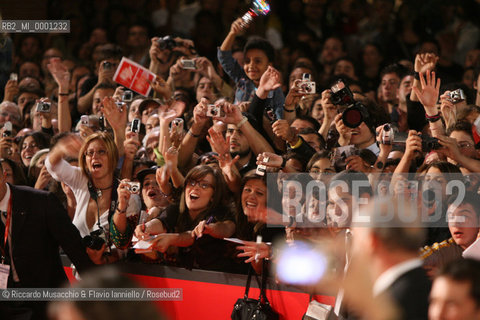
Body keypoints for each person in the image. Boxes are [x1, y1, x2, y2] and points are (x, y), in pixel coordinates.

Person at [0, 160, 95, 320]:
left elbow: (74, 248)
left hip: (48, 298)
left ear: (4, 176)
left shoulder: (40, 201)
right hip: (8, 303)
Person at [46, 132, 141, 254]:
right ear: (85, 159)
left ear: (112, 157)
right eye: (90, 153)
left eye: (101, 151)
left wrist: (121, 207)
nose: (94, 157)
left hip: (113, 270)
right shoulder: (81, 179)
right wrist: (61, 149)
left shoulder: (128, 196)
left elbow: (123, 243)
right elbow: (52, 166)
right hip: (80, 270)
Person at [134, 165, 237, 271]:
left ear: (213, 195)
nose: (195, 187)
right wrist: (145, 228)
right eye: (191, 183)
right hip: (186, 279)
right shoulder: (177, 208)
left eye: (204, 185)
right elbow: (161, 222)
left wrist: (171, 239)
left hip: (219, 280)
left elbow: (192, 237)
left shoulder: (220, 213)